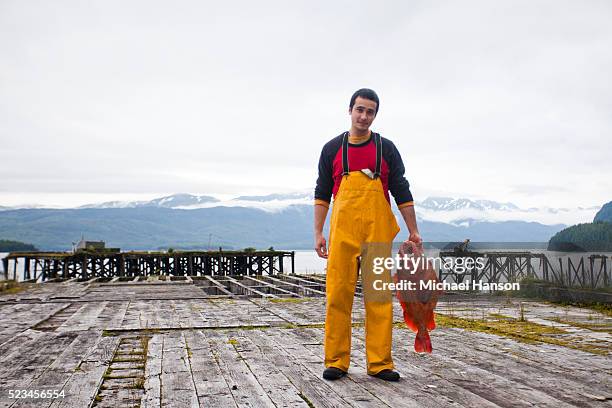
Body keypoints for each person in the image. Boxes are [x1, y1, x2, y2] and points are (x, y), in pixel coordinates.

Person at [314, 88, 421, 381]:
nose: (364, 116)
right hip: (342, 233)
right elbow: (322, 193)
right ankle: (336, 361)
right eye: (359, 109)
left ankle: (380, 363)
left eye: (370, 111)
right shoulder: (332, 149)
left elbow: (401, 189)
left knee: (378, 297)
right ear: (350, 110)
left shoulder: (386, 148)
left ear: (375, 115)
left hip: (376, 233)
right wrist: (318, 233)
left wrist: (413, 230)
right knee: (337, 295)